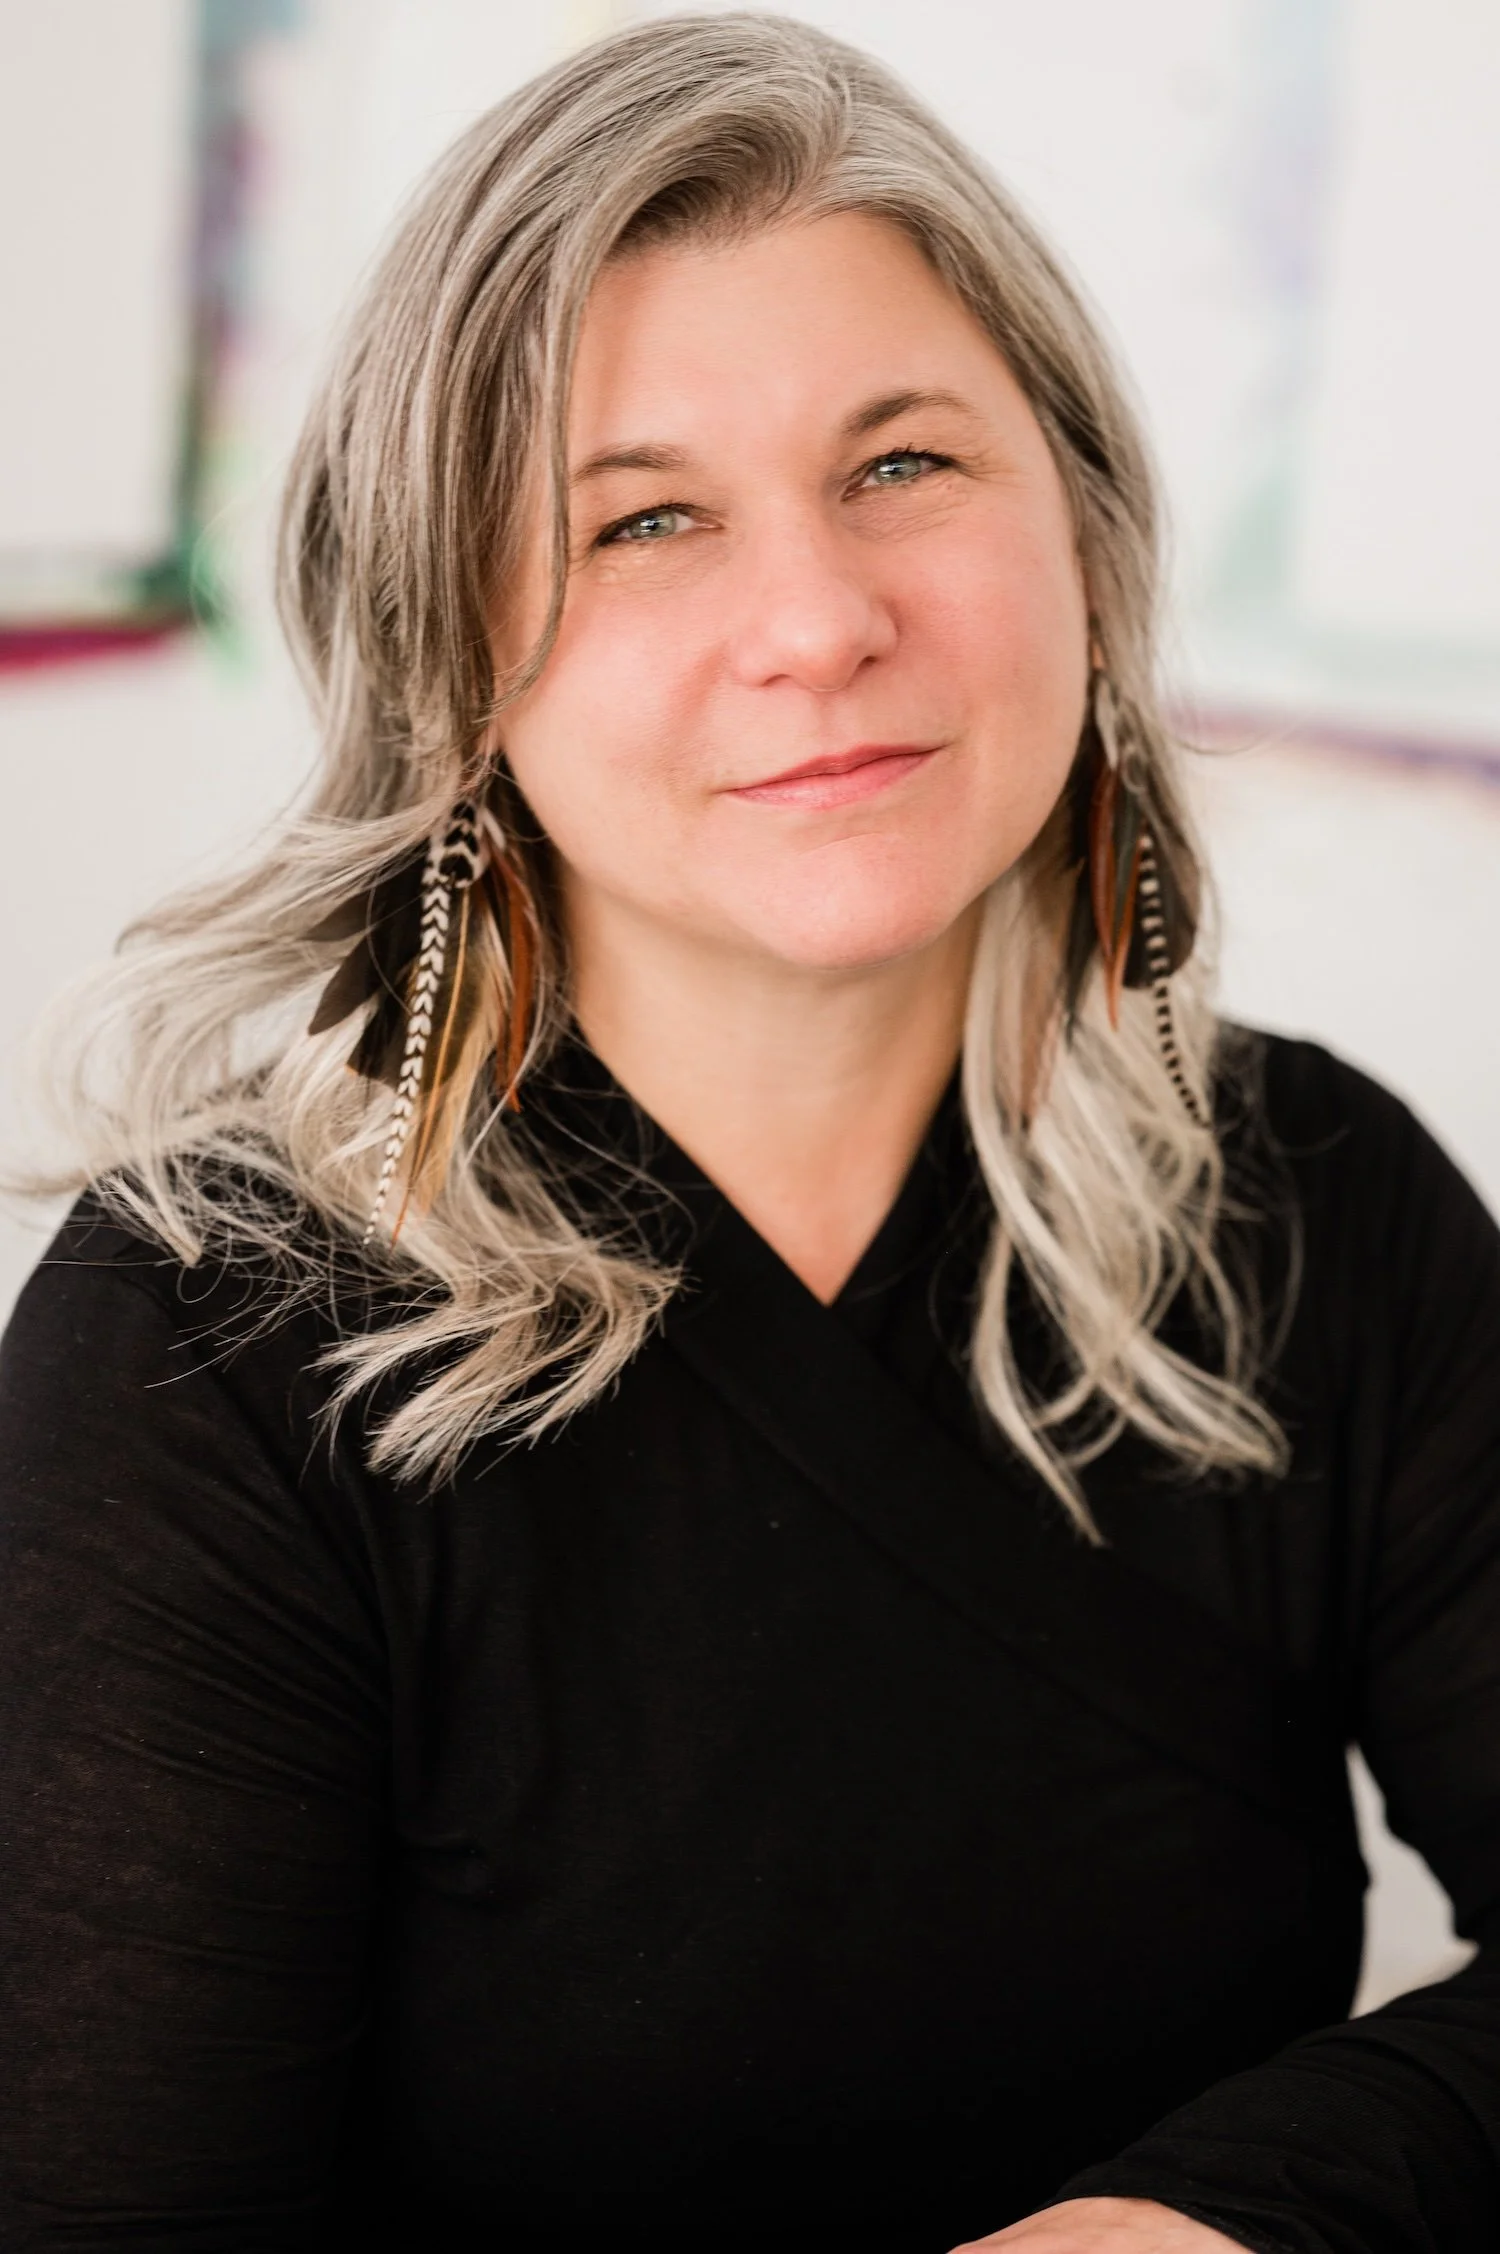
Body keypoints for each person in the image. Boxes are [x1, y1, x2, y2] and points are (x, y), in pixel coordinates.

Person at [1, 14, 1497, 2251]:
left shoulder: (1314, 1204)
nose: (818, 620)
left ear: (1080, 525)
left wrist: (1195, 2226)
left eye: (903, 465)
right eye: (646, 519)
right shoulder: (202, 1348)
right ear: (446, 656)